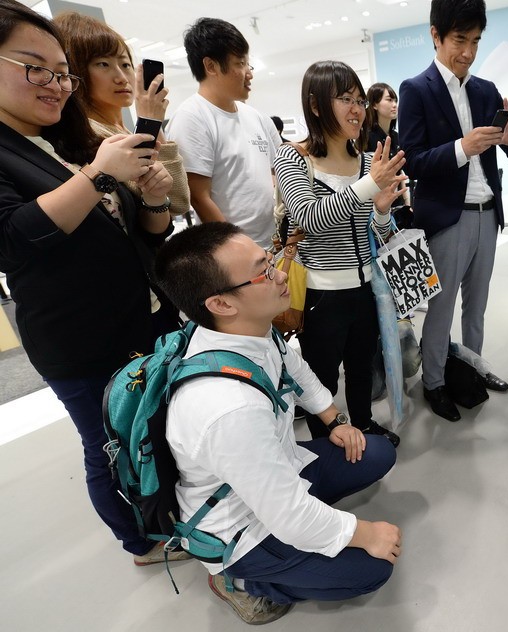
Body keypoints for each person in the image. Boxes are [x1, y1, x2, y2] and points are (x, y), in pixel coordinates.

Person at [0, 0, 182, 565]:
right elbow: (13, 239)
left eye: (62, 73)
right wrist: (100, 173)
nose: (55, 85)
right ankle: (141, 543)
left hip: (141, 317)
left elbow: (143, 237)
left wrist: (154, 200)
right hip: (80, 339)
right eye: (35, 68)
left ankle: (174, 521)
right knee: (110, 448)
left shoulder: (66, 139)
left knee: (155, 431)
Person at [153, 222, 400, 625]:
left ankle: (308, 534)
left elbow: (296, 369)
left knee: (377, 452)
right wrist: (363, 533)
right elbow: (288, 515)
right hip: (239, 523)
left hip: (276, 471)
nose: (282, 274)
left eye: (269, 260)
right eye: (264, 272)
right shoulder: (228, 408)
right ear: (221, 303)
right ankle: (240, 581)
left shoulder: (246, 330)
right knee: (371, 569)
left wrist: (334, 419)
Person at [399, 0, 508, 422]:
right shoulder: (415, 89)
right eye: (459, 40)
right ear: (435, 35)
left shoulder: (485, 90)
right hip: (447, 217)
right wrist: (461, 148)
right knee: (442, 307)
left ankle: (473, 368)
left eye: (475, 41)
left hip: (489, 212)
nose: (468, 52)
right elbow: (413, 161)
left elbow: (507, 153)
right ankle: (434, 382)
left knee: (478, 304)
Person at [273, 60, 405, 447]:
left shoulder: (366, 162)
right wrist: (369, 187)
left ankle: (364, 425)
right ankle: (328, 440)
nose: (357, 110)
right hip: (321, 295)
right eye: (345, 99)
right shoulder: (293, 157)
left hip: (366, 288)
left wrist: (382, 210)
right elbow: (310, 218)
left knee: (362, 367)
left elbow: (376, 233)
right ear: (316, 106)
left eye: (360, 100)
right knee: (322, 378)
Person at [52, 12, 190, 219]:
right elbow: (177, 201)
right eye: (103, 64)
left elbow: (177, 200)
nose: (122, 77)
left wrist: (152, 121)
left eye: (125, 64)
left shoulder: (121, 130)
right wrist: (150, 121)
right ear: (75, 70)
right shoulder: (88, 133)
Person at [166, 17, 282, 249]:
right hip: (234, 253)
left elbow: (277, 171)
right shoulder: (192, 117)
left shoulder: (256, 117)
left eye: (248, 64)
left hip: (276, 244)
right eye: (240, 63)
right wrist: (242, 249)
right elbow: (199, 197)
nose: (249, 73)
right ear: (211, 66)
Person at [365, 82, 411, 228]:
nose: (394, 105)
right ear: (374, 104)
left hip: (399, 207)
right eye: (389, 100)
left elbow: (399, 172)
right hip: (377, 210)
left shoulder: (397, 137)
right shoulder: (366, 138)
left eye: (395, 100)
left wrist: (407, 202)